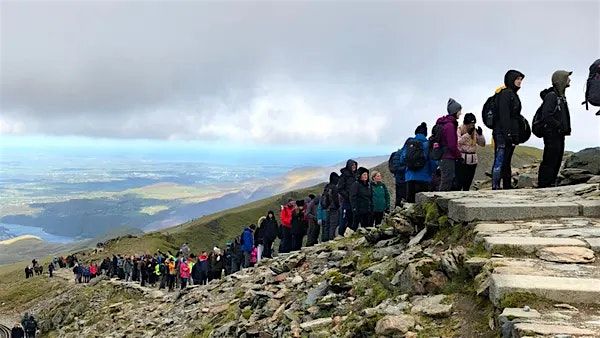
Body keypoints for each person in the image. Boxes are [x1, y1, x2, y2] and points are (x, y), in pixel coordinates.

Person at [537, 70, 573, 188]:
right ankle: (544, 184)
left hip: (558, 134)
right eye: (567, 78)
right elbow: (546, 116)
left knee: (556, 159)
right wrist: (559, 125)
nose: (569, 80)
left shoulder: (560, 96)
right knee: (550, 159)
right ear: (560, 80)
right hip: (552, 134)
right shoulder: (552, 96)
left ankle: (550, 183)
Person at [493, 70, 525, 190]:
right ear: (511, 80)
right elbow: (504, 115)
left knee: (506, 161)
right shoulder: (506, 94)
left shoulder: (513, 94)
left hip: (508, 133)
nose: (520, 81)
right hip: (502, 133)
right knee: (500, 160)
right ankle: (495, 186)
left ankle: (506, 185)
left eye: (521, 79)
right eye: (517, 79)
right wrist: (508, 134)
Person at [401, 123, 438, 203]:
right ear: (426, 134)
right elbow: (433, 162)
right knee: (422, 204)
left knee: (410, 204)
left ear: (416, 133)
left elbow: (402, 159)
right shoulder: (428, 144)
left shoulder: (409, 143)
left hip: (410, 178)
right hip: (424, 178)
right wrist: (431, 173)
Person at [436, 98, 462, 191]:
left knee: (446, 179)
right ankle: (440, 202)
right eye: (459, 111)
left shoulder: (446, 124)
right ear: (455, 111)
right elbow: (452, 145)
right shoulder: (450, 126)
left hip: (443, 156)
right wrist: (458, 155)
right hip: (448, 157)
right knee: (447, 180)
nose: (460, 113)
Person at [456, 113, 486, 191]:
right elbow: (458, 142)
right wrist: (468, 134)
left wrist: (480, 135)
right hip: (463, 159)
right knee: (460, 181)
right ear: (466, 123)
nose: (472, 126)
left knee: (468, 182)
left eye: (473, 124)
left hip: (473, 160)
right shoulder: (460, 129)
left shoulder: (474, 131)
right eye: (470, 124)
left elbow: (482, 144)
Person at [337, 159, 358, 236]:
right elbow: (340, 188)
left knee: (352, 219)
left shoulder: (356, 175)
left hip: (355, 201)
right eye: (352, 165)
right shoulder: (344, 176)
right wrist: (348, 196)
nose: (354, 166)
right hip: (346, 201)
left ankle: (349, 234)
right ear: (349, 166)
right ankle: (340, 234)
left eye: (355, 165)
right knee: (344, 219)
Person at [321, 172, 340, 241]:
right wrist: (338, 206)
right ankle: (331, 239)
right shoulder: (334, 187)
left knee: (327, 225)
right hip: (334, 208)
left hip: (327, 208)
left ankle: (325, 240)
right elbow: (336, 199)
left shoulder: (327, 187)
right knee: (333, 225)